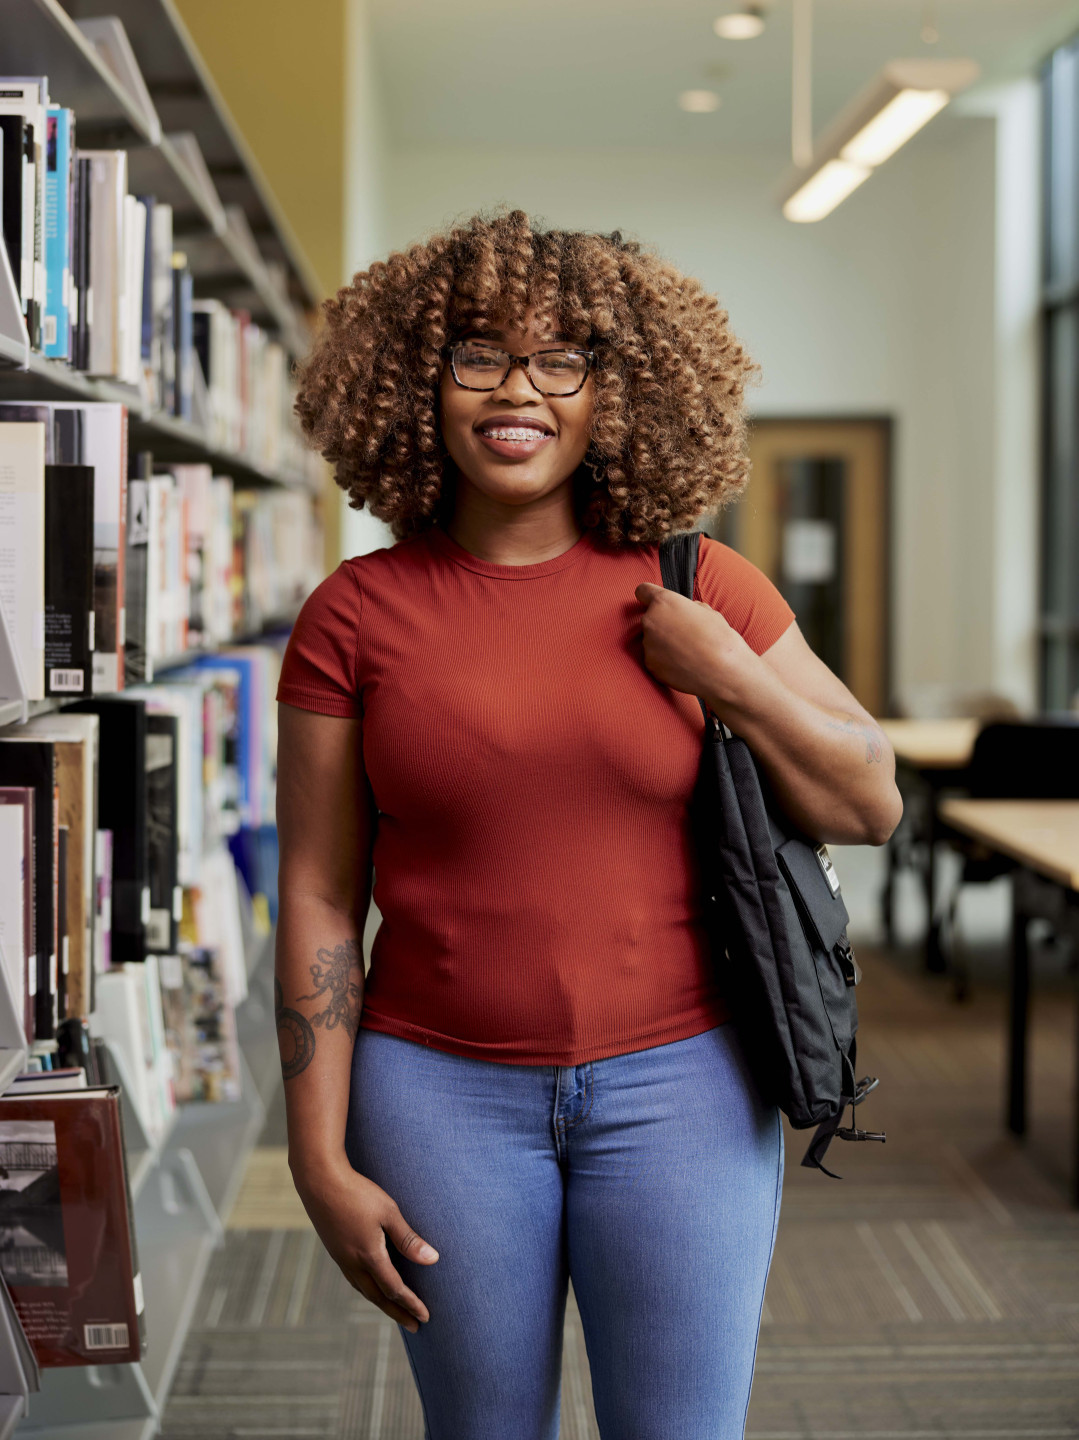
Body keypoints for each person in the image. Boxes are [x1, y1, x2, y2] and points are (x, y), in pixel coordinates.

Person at [274, 210, 903, 1440]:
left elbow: (867, 798)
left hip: (683, 1087)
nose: (518, 391)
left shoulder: (699, 586)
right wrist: (316, 1159)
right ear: (419, 380)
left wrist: (728, 674)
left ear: (613, 392)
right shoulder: (354, 615)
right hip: (436, 1095)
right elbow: (316, 895)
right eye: (478, 354)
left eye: (561, 360)